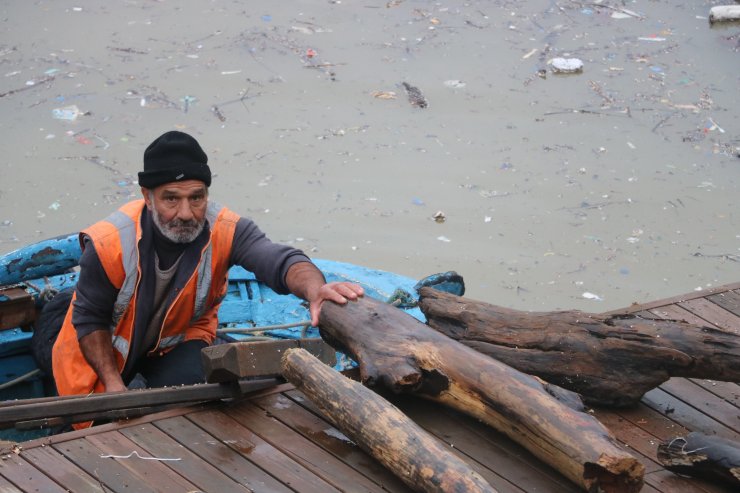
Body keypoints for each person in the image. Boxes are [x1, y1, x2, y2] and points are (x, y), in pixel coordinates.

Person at [52, 130, 363, 401]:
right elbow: (91, 321)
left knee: (219, 390)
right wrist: (114, 387)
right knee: (113, 410)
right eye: (171, 199)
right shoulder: (108, 243)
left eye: (196, 198)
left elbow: (279, 260)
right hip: (97, 361)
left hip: (166, 347)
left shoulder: (226, 228)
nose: (186, 213)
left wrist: (315, 288)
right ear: (147, 197)